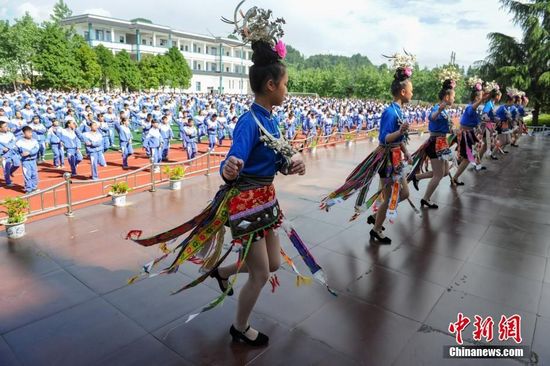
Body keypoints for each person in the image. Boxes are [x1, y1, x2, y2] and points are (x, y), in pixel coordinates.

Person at [126, 6, 330, 348]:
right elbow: (233, 160)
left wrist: (291, 164)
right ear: (270, 84)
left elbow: (274, 159)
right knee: (262, 273)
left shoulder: (273, 119)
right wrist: (229, 167)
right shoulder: (250, 122)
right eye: (285, 84)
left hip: (266, 198)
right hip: (246, 203)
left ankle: (221, 272)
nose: (287, 90)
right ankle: (240, 326)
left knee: (275, 264)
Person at [322, 55, 415, 245]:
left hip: (396, 156)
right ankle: (377, 226)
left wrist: (405, 151)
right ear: (403, 92)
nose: (413, 93)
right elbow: (385, 138)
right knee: (395, 194)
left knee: (402, 193)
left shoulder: (399, 111)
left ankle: (378, 218)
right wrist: (400, 131)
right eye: (411, 90)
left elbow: (399, 137)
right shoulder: (390, 112)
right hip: (387, 158)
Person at [410, 79, 456, 209]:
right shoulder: (438, 108)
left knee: (445, 172)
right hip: (435, 143)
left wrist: (454, 130)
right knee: (439, 174)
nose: (454, 98)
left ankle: (417, 177)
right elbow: (431, 117)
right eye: (453, 96)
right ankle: (426, 199)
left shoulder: (445, 111)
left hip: (442, 142)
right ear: (447, 97)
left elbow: (444, 127)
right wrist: (439, 110)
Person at [451, 83, 490, 185]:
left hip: (469, 134)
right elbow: (472, 109)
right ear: (477, 97)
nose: (483, 98)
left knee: (468, 157)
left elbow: (475, 119)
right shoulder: (470, 107)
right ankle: (454, 177)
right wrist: (481, 100)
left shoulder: (476, 108)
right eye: (481, 96)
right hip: (464, 134)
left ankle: (456, 171)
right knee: (468, 158)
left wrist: (478, 128)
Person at [16, 126, 40, 193]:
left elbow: (36, 149)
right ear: (23, 133)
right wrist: (20, 156)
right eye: (28, 132)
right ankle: (28, 189)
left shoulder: (34, 141)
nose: (30, 134)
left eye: (31, 132)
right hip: (25, 162)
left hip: (33, 161)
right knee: (27, 175)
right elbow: (15, 151)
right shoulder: (19, 142)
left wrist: (29, 152)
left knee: (34, 174)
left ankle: (34, 188)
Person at [0, 120, 20, 187]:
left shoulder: (10, 134)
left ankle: (11, 172)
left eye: (7, 126)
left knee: (17, 164)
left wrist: (8, 147)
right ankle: (8, 182)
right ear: (0, 128)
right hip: (4, 155)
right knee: (6, 169)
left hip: (13, 152)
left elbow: (14, 141)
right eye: (5, 126)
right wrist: (2, 149)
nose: (7, 127)